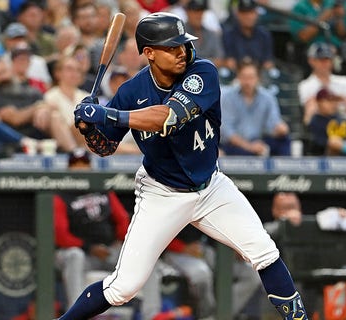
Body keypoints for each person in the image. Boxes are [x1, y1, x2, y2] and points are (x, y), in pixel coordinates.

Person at [61, 12, 309, 320]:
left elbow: (168, 117)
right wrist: (88, 128)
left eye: (183, 43)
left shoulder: (202, 72)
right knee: (122, 288)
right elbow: (105, 147)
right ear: (149, 53)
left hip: (211, 187)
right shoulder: (130, 92)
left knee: (265, 253)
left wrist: (105, 115)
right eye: (171, 47)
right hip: (162, 193)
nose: (182, 51)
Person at [53, 191, 162, 319]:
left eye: (87, 169)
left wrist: (122, 240)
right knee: (75, 255)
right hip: (79, 253)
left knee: (144, 257)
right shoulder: (61, 195)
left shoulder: (103, 190)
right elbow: (60, 235)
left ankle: (152, 315)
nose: (84, 170)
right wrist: (89, 247)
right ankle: (77, 315)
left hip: (107, 250)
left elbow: (122, 219)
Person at [0, 58, 79, 155]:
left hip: (40, 129)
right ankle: (75, 154)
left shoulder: (30, 90)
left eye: (3, 71)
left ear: (11, 69)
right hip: (19, 136)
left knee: (55, 116)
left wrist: (44, 109)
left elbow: (49, 105)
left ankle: (76, 153)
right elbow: (15, 118)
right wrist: (37, 108)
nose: (2, 76)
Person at [220, 59, 291, 156]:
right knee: (233, 149)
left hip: (259, 141)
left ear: (258, 78)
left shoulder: (268, 97)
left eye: (251, 77)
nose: (247, 81)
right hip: (235, 144)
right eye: (244, 77)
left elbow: (273, 123)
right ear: (238, 77)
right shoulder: (227, 97)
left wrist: (280, 129)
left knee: (284, 139)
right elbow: (227, 131)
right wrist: (249, 146)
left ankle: (285, 170)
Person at [298, 42, 346, 125]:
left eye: (327, 59)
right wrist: (339, 100)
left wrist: (321, 103)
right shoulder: (305, 85)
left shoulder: (345, 81)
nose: (324, 64)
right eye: (320, 60)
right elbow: (310, 112)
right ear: (311, 61)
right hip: (320, 125)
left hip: (344, 125)